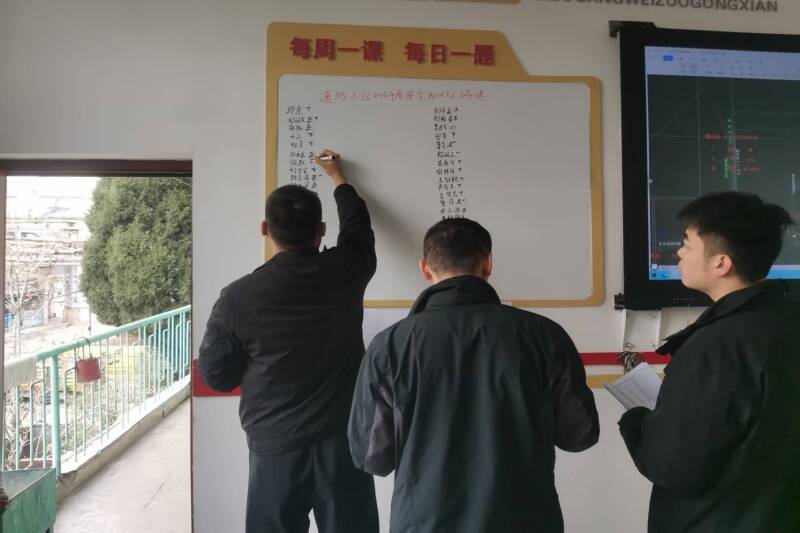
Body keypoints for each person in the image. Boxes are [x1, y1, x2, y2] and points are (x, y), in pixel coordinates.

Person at [348, 217, 599, 533]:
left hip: (425, 523)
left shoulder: (390, 346)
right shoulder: (544, 336)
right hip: (524, 520)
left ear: (425, 269)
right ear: (488, 264)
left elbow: (370, 456)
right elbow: (579, 435)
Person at [198, 149, 379, 533]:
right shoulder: (346, 271)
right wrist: (338, 178)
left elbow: (216, 376)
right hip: (342, 444)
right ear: (322, 230)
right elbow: (358, 230)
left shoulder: (238, 298)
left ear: (265, 228)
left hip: (274, 450)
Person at [618, 191, 800, 532]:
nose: (678, 253)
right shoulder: (788, 319)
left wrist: (637, 421)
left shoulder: (716, 345)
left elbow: (674, 464)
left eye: (686, 244)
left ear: (721, 263)